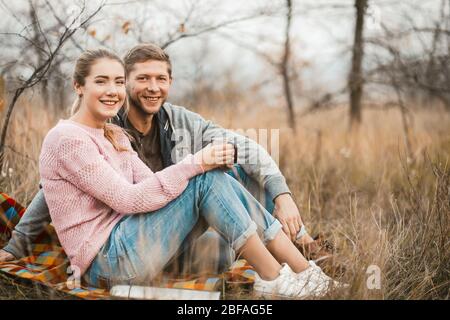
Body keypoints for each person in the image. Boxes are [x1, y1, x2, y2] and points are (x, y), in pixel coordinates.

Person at [0, 43, 333, 273]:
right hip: (127, 240)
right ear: (81, 86)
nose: (152, 87)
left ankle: (299, 264)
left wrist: (282, 193)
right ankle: (282, 274)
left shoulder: (167, 122)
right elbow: (57, 189)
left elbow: (243, 146)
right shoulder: (94, 128)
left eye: (160, 79)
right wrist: (17, 245)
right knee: (206, 182)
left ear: (170, 83)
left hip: (159, 226)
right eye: (140, 78)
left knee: (227, 173)